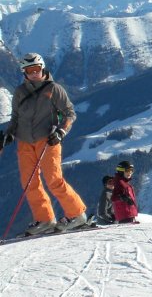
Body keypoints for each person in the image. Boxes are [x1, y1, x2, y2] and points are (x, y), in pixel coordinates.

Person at [0, 53, 88, 235]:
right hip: (24, 142)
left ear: (42, 68)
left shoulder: (54, 89)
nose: (34, 73)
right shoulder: (20, 92)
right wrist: (8, 135)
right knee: (29, 183)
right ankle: (45, 219)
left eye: (36, 69)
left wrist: (61, 132)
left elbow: (70, 113)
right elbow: (15, 118)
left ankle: (77, 214)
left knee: (54, 180)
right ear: (24, 72)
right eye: (29, 70)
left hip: (48, 140)